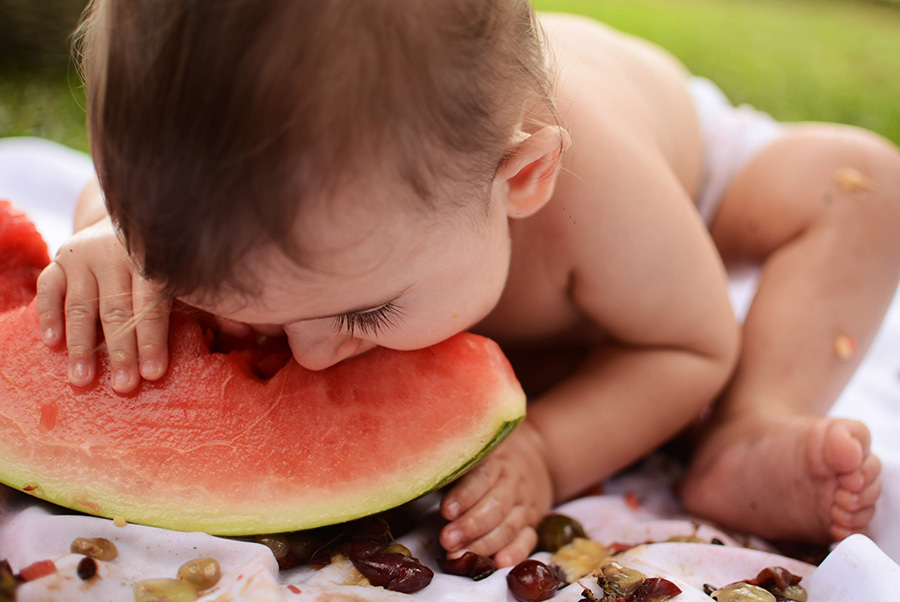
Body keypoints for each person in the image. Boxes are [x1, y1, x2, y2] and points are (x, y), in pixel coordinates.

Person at [36, 0, 898, 568]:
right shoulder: (246, 194)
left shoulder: (598, 199)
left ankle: (750, 430)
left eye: (363, 311)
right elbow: (123, 202)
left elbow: (687, 343)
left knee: (862, 187)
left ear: (523, 178)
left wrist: (551, 451)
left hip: (704, 201)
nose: (311, 354)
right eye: (234, 303)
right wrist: (108, 236)